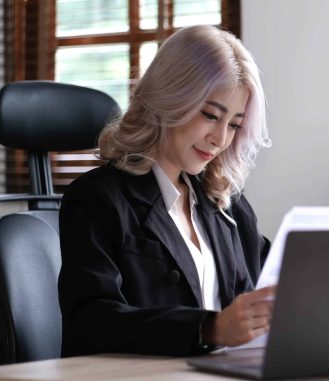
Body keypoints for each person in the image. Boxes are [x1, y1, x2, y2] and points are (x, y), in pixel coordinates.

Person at [58, 25, 275, 357]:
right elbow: (92, 322)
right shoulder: (97, 199)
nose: (220, 139)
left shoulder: (226, 204)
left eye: (233, 124)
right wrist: (209, 329)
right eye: (210, 115)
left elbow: (271, 283)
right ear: (171, 98)